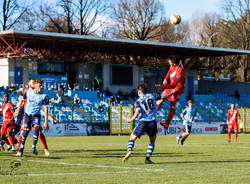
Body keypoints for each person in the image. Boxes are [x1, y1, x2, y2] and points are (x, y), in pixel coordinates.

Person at [122, 83, 162, 164]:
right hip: (152, 121)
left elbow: (137, 112)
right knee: (152, 141)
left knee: (132, 138)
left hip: (143, 121)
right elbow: (161, 97)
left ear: (139, 91)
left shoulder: (138, 101)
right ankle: (147, 159)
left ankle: (129, 150)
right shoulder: (151, 96)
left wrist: (131, 119)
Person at [16, 79, 49, 157]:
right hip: (27, 114)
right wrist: (17, 110)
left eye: (42, 86)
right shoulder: (28, 92)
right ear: (35, 85)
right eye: (40, 85)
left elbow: (46, 109)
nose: (41, 87)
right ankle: (20, 149)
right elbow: (22, 100)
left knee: (38, 129)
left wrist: (46, 122)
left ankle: (34, 147)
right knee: (25, 132)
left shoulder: (44, 96)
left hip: (36, 114)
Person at [155, 55, 185, 130]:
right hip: (171, 87)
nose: (168, 62)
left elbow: (174, 85)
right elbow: (170, 70)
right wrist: (165, 78)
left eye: (169, 62)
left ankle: (166, 123)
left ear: (174, 63)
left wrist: (162, 87)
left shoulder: (180, 70)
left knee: (172, 104)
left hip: (177, 89)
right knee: (160, 100)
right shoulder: (174, 65)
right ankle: (153, 117)